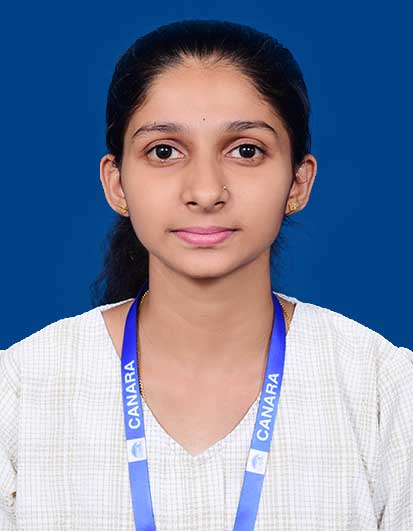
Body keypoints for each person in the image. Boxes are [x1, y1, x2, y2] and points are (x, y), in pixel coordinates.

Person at [1, 19, 412, 531]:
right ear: (117, 184)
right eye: (164, 151)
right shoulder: (21, 390)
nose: (205, 191)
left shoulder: (385, 391)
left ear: (298, 183)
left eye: (246, 150)